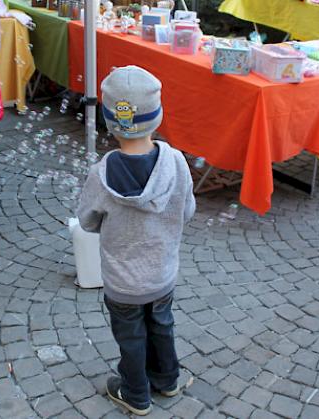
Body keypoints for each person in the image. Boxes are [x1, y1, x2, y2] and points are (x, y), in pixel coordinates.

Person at [76, 66, 195, 416]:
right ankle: (168, 379)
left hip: (123, 283)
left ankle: (135, 394)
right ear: (157, 115)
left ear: (111, 120)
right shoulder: (176, 162)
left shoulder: (101, 173)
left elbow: (87, 221)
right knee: (162, 326)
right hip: (162, 275)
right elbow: (187, 210)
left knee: (131, 337)